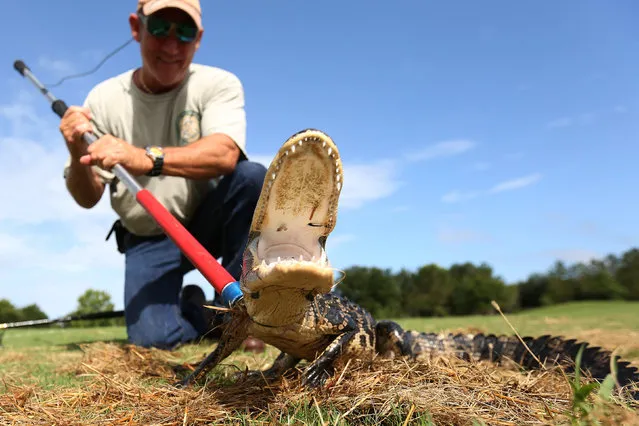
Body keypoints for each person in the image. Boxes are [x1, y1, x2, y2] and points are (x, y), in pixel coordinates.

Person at [59, 0, 267, 351]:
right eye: (159, 28)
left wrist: (143, 157)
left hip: (204, 222)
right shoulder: (104, 99)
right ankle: (202, 312)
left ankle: (239, 316)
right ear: (136, 27)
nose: (172, 45)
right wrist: (76, 149)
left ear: (198, 38)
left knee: (251, 177)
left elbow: (225, 153)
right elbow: (88, 196)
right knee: (153, 339)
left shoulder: (219, 83)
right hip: (147, 236)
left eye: (184, 32)